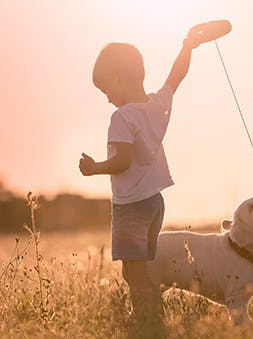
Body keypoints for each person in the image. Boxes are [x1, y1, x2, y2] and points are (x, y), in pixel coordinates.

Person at [79, 26, 203, 329]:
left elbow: (123, 161)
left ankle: (147, 318)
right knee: (144, 267)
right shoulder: (156, 106)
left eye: (106, 90)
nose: (107, 99)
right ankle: (150, 314)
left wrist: (95, 168)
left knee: (132, 272)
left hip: (131, 206)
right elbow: (176, 76)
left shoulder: (122, 117)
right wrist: (188, 46)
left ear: (118, 79)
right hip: (154, 204)